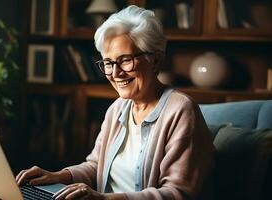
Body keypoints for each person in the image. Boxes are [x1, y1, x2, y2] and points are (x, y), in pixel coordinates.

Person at [16, 5, 214, 200]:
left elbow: (178, 193)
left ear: (155, 60)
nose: (115, 73)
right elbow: (96, 165)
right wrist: (58, 176)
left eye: (125, 60)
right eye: (109, 63)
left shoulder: (180, 110)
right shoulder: (118, 108)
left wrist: (104, 199)